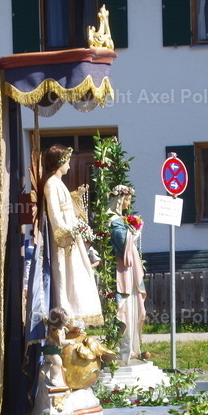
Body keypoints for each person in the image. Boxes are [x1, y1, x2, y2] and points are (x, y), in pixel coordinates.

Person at [41, 144, 103, 326]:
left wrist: (76, 196)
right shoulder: (51, 184)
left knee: (78, 276)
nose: (69, 164)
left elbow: (66, 207)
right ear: (60, 162)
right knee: (67, 278)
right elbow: (55, 214)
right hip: (64, 244)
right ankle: (67, 318)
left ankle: (76, 320)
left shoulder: (58, 183)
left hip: (72, 240)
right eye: (67, 160)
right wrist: (66, 237)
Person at [106, 184, 146, 361]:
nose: (129, 203)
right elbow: (123, 245)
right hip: (122, 271)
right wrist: (135, 233)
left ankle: (131, 348)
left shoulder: (119, 219)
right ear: (120, 199)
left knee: (132, 306)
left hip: (129, 270)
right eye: (127, 199)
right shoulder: (114, 220)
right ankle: (123, 350)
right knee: (124, 308)